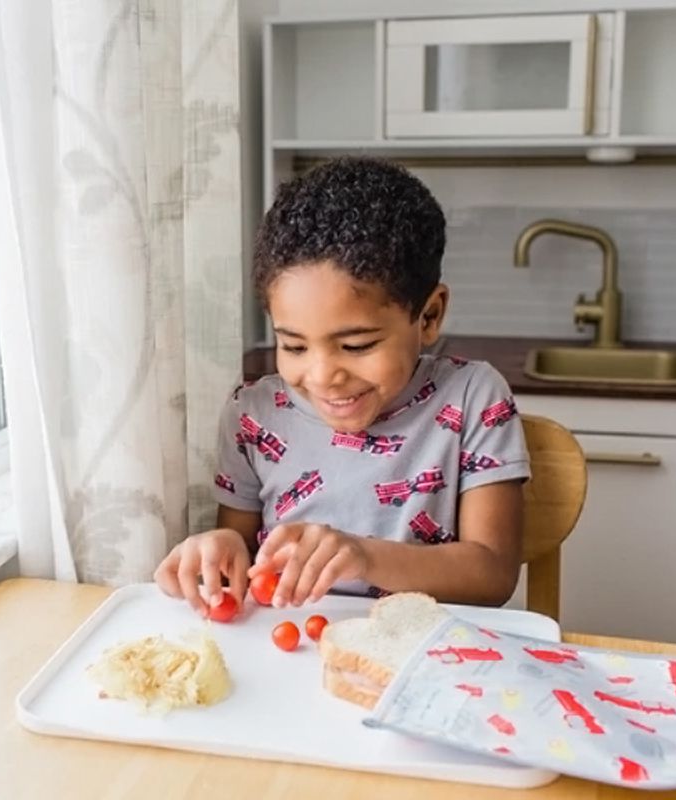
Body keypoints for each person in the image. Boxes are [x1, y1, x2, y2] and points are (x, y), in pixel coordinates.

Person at [154, 156, 530, 617]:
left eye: (355, 345)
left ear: (429, 315)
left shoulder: (473, 398)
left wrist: (364, 556)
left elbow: (492, 576)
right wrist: (223, 548)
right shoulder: (254, 414)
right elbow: (248, 557)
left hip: (427, 653)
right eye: (293, 346)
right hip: (294, 655)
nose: (322, 375)